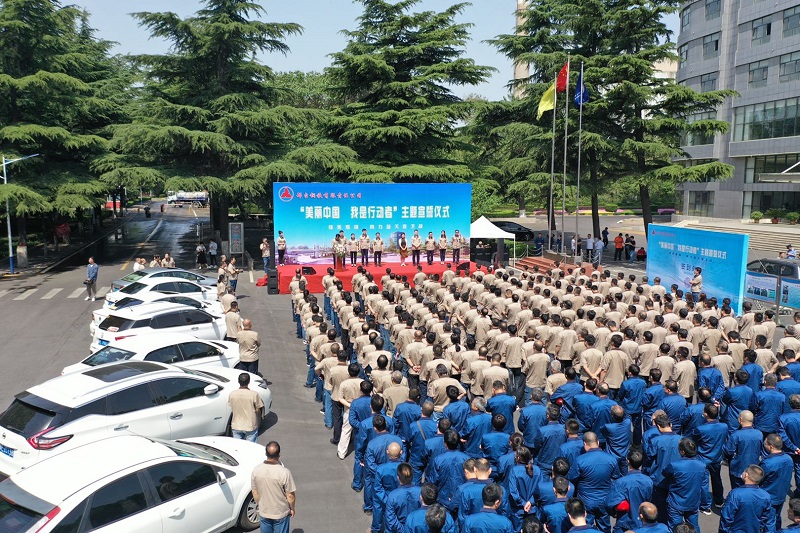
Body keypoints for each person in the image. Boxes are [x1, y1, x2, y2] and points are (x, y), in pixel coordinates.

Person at [251, 441, 296, 533]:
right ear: (279, 455)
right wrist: (292, 508)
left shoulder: (256, 470)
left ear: (265, 454)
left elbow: (254, 492)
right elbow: (290, 495)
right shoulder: (284, 472)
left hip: (264, 511)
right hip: (280, 513)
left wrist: (260, 504)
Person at [718, 465, 776, 533]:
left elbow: (726, 517)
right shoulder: (766, 496)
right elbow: (768, 518)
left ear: (746, 475)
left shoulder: (735, 494)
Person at [229, 372, 265, 442]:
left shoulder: (232, 394)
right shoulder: (254, 394)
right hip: (250, 425)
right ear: (249, 382)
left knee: (237, 446)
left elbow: (231, 406)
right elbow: (258, 408)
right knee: (250, 447)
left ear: (238, 381)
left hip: (236, 425)